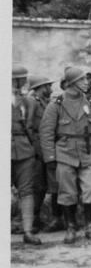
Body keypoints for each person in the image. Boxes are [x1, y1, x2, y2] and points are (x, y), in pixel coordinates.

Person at [40, 66, 91, 243]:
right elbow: (46, 133)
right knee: (67, 192)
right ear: (72, 83)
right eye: (83, 79)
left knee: (90, 190)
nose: (87, 82)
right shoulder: (56, 104)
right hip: (64, 152)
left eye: (87, 79)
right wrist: (50, 158)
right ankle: (71, 228)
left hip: (88, 151)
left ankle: (90, 227)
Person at [11, 65, 42, 244]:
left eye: (23, 79)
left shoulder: (28, 102)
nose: (23, 83)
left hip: (24, 150)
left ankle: (28, 231)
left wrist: (34, 150)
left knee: (27, 190)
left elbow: (32, 128)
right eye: (20, 79)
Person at [27, 74, 57, 232]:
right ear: (39, 88)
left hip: (49, 149)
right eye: (47, 86)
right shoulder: (32, 102)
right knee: (37, 187)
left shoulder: (49, 103)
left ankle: (57, 218)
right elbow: (29, 127)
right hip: (38, 152)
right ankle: (33, 220)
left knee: (54, 184)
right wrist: (33, 149)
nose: (50, 89)